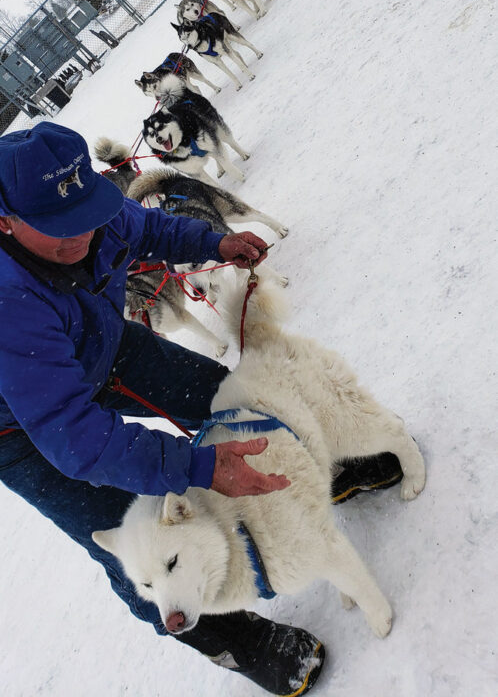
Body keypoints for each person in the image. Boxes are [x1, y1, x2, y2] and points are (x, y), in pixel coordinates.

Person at [0, 122, 402, 695]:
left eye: (85, 216)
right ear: (6, 222)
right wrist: (203, 467)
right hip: (18, 428)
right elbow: (74, 438)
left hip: (100, 343)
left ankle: (319, 466)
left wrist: (214, 244)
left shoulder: (90, 211)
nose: (81, 237)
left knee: (224, 398)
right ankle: (236, 641)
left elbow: (148, 228)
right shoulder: (7, 297)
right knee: (128, 536)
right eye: (57, 231)